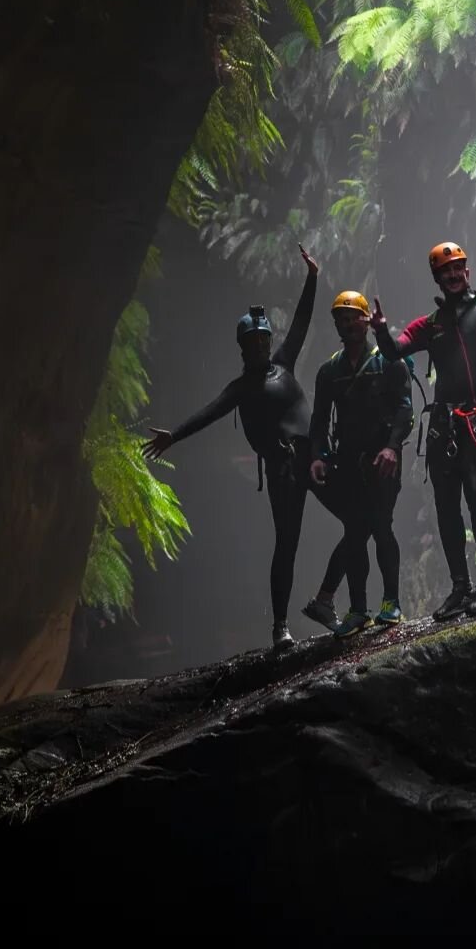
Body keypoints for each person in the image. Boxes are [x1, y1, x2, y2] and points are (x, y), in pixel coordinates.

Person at [369, 176, 476, 620]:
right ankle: (462, 588)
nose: (453, 274)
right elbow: (396, 352)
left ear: (466, 271)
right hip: (446, 421)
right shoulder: (429, 325)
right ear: (438, 278)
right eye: (445, 271)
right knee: (446, 504)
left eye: (458, 268)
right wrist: (380, 331)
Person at [143, 245, 318, 649]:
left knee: (354, 515)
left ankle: (342, 600)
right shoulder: (240, 389)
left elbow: (302, 323)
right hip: (283, 470)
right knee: (286, 544)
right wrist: (173, 435)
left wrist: (312, 278)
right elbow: (208, 413)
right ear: (242, 349)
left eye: (262, 341)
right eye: (252, 343)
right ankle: (280, 626)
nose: (259, 348)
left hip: (314, 460)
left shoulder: (285, 362)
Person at [299, 288, 414, 639]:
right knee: (353, 533)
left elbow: (405, 409)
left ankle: (391, 603)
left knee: (381, 527)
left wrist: (393, 448)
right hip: (348, 463)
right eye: (341, 319)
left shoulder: (388, 361)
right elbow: (318, 422)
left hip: (382, 461)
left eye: (353, 317)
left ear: (366, 321)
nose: (347, 324)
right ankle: (358, 609)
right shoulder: (329, 371)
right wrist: (318, 456)